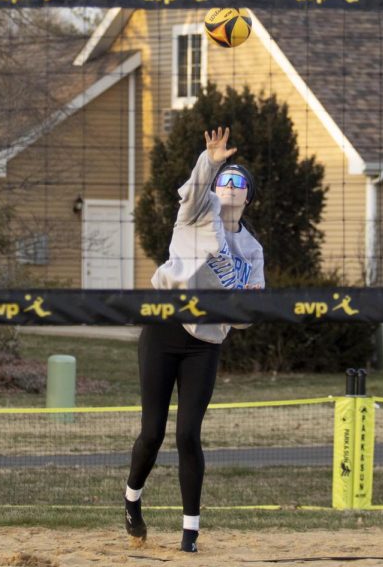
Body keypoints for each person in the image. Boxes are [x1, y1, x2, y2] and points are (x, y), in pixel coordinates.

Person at [124, 126, 265, 553]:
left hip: (205, 341)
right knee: (152, 432)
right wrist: (212, 161)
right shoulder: (195, 214)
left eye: (238, 182)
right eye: (225, 180)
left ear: (248, 196)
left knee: (188, 435)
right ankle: (131, 500)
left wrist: (232, 309)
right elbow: (196, 188)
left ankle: (189, 535)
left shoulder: (252, 251)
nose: (229, 186)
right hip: (164, 328)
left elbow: (249, 316)